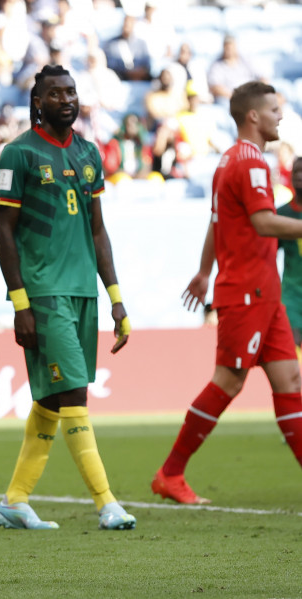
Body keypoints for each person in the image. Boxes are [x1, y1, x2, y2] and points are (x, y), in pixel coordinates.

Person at [0, 64, 137, 531]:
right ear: (38, 103)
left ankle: (14, 501)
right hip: (44, 293)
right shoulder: (18, 155)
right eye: (55, 93)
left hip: (83, 292)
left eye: (71, 91)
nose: (66, 99)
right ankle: (107, 502)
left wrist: (115, 298)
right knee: (74, 393)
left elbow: (97, 230)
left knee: (54, 399)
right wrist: (20, 303)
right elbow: (3, 231)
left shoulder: (89, 153)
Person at [153, 82, 302, 504]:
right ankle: (170, 473)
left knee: (289, 379)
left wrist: (204, 271)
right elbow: (264, 223)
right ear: (253, 116)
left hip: (264, 292)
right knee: (229, 380)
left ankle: (171, 474)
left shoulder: (230, 160)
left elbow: (218, 220)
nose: (280, 117)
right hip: (246, 293)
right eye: (274, 110)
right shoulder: (252, 164)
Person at [277, 157, 302, 346]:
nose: (299, 176)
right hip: (291, 294)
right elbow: (268, 253)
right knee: (291, 346)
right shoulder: (280, 214)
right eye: (296, 171)